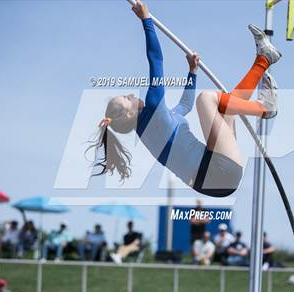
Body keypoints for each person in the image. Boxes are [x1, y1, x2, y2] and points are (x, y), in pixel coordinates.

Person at [87, 0, 281, 198]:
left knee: (225, 108)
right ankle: (265, 108)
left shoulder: (152, 126)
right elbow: (156, 59)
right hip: (217, 172)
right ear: (129, 114)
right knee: (206, 99)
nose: (130, 94)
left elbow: (184, 106)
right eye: (126, 99)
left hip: (214, 177)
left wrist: (192, 72)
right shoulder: (152, 110)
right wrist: (146, 19)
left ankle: (263, 59)